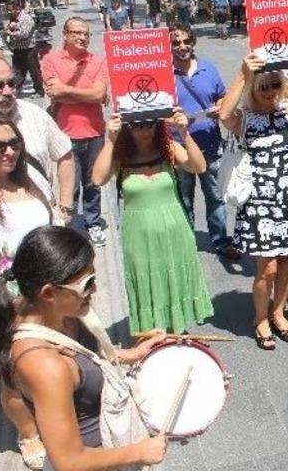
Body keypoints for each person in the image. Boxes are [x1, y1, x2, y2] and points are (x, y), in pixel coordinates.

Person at [0, 225, 169, 470]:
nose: (95, 290)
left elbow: (84, 363)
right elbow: (68, 461)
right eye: (87, 284)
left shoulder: (62, 314)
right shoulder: (43, 364)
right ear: (49, 292)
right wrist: (140, 452)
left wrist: (132, 354)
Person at [219, 50, 288, 350]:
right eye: (262, 86)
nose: (268, 92)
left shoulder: (285, 114)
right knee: (267, 269)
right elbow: (225, 115)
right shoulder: (245, 119)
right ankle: (261, 317)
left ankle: (279, 312)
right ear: (253, 88)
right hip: (259, 204)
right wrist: (243, 73)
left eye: (273, 86)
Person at [0, 110, 53, 470]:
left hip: (48, 296)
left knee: (51, 362)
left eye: (13, 143)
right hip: (2, 301)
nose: (9, 152)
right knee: (12, 376)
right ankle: (27, 432)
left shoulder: (32, 175)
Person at [91, 110, 214, 334]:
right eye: (138, 125)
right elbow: (98, 178)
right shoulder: (121, 156)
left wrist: (184, 133)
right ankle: (150, 335)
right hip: (139, 236)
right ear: (128, 127)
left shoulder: (168, 148)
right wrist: (110, 140)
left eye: (150, 124)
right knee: (146, 282)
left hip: (175, 231)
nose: (146, 130)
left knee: (174, 280)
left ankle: (176, 331)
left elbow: (200, 167)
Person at [0, 52, 75, 227]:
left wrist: (65, 207)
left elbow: (64, 154)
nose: (7, 91)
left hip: (42, 224)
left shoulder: (34, 115)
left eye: (11, 83)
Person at [169, 24, 240, 260]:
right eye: (176, 42)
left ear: (193, 42)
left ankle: (221, 241)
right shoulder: (164, 74)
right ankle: (186, 242)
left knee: (215, 196)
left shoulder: (208, 68)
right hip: (180, 149)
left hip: (210, 144)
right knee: (184, 198)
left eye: (186, 41)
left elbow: (222, 96)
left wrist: (219, 107)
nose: (182, 46)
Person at [40, 17, 109, 247]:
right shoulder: (50, 59)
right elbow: (54, 93)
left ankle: (92, 223)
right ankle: (69, 228)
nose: (82, 37)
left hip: (95, 131)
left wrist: (66, 91)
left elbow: (99, 95)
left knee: (94, 182)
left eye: (86, 34)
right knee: (71, 184)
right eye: (77, 33)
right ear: (66, 35)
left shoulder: (97, 61)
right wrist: (85, 93)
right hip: (64, 135)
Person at [4, 0, 44, 97]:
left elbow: (24, 34)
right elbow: (7, 29)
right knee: (17, 72)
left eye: (10, 10)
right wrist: (8, 29)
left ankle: (39, 91)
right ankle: (16, 91)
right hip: (17, 49)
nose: (9, 12)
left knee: (34, 71)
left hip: (29, 49)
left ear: (17, 8)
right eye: (8, 10)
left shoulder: (26, 18)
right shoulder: (12, 18)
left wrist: (10, 32)